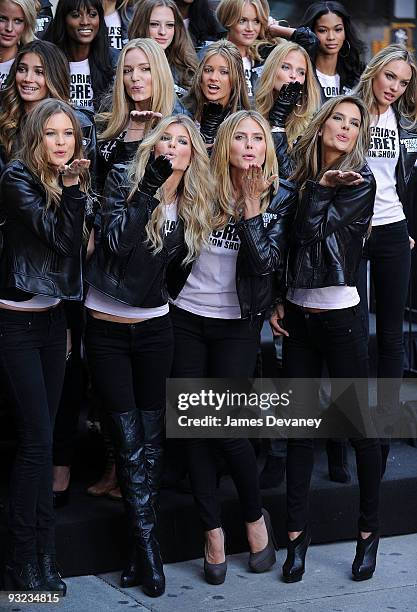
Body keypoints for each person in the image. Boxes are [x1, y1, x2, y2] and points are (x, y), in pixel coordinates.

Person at [84, 114, 214, 596]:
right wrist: (149, 189)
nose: (173, 147)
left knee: (152, 440)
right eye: (167, 139)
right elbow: (115, 244)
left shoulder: (194, 203)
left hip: (156, 329)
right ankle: (149, 550)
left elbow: (177, 275)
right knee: (126, 437)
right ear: (154, 147)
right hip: (107, 328)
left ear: (192, 154)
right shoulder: (124, 179)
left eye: (183, 142)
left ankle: (143, 548)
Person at [169, 109, 297, 584]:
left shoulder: (279, 196)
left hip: (237, 324)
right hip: (185, 318)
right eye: (239, 137)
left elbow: (265, 264)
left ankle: (253, 518)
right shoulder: (198, 186)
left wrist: (249, 207)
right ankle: (213, 533)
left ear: (267, 147)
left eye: (257, 138)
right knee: (193, 428)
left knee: (227, 429)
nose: (248, 146)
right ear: (223, 145)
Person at [270, 95, 382, 583]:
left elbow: (308, 232)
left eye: (354, 123)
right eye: (337, 117)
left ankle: (368, 534)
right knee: (298, 431)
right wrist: (277, 296)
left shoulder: (362, 182)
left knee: (360, 429)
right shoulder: (297, 174)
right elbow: (281, 242)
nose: (345, 127)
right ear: (321, 125)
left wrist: (317, 190)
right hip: (298, 316)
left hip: (340, 318)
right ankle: (296, 537)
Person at [0, 98, 90, 593]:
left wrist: (75, 190)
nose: (62, 143)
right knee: (35, 442)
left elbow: (75, 253)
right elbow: (61, 238)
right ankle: (21, 560)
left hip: (54, 323)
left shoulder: (68, 183)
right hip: (14, 325)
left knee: (47, 437)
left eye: (69, 135)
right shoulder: (17, 180)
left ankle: (44, 555)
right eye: (53, 134)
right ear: (36, 137)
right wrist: (75, 189)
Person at [355, 44, 417, 476]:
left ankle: (385, 426)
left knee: (392, 334)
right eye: (390, 77)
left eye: (404, 82)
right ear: (374, 72)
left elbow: (407, 179)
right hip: (354, 232)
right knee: (355, 331)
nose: (394, 88)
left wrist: (411, 227)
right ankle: (354, 426)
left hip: (394, 230)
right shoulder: (347, 110)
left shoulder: (407, 123)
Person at [0, 40, 97, 176]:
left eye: (39, 72)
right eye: (22, 69)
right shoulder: (4, 119)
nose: (28, 78)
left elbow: (90, 181)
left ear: (54, 77)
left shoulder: (81, 123)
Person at [96, 37, 177, 191]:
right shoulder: (102, 123)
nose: (134, 77)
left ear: (159, 73)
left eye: (145, 69)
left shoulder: (175, 127)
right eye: (127, 71)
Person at [255, 40, 321, 179]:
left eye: (301, 72)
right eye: (285, 67)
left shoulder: (311, 124)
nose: (293, 76)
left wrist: (278, 122)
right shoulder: (251, 113)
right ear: (272, 70)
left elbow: (292, 177)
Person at [44, 0, 118, 111]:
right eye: (76, 15)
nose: (85, 22)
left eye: (92, 14)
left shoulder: (114, 60)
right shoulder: (46, 59)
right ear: (63, 19)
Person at [128, 0, 197, 96]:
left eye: (169, 25)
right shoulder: (124, 65)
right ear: (141, 25)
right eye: (154, 24)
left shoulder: (187, 69)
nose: (162, 32)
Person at [300, 1, 366, 102]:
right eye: (322, 30)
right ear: (311, 33)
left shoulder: (357, 76)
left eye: (338, 29)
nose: (331, 37)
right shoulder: (300, 74)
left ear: (345, 32)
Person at [0, 0, 36, 88]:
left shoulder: (35, 62)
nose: (9, 28)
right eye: (2, 19)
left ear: (26, 24)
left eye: (18, 21)